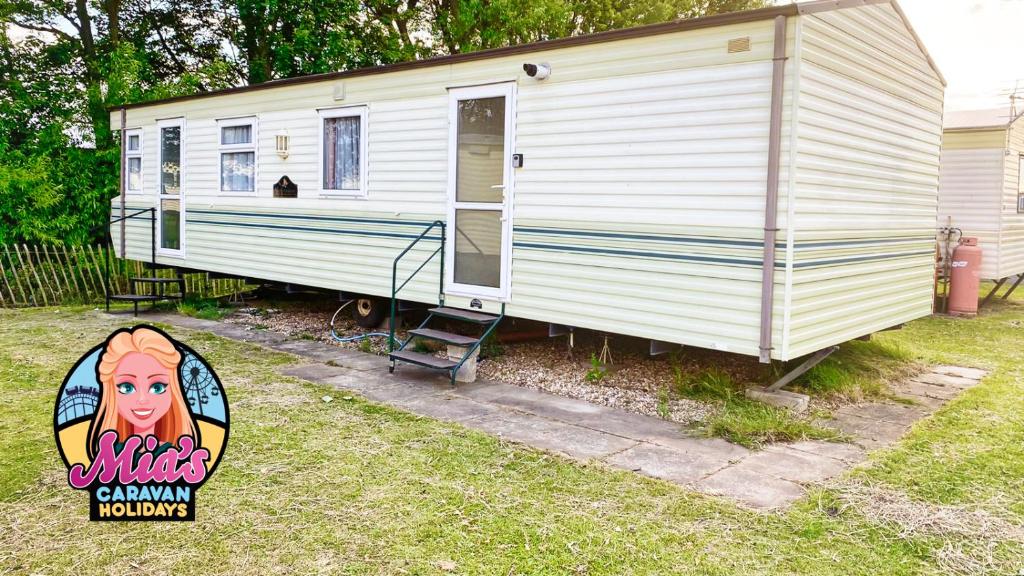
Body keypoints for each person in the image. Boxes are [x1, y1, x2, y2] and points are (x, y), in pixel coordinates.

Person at [88, 327, 198, 460]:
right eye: (127, 387)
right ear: (111, 391)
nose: (142, 399)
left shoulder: (174, 454)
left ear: (173, 389)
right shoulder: (111, 453)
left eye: (157, 387)